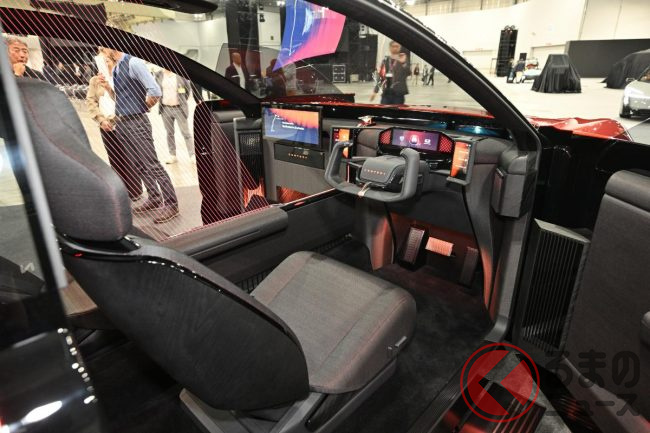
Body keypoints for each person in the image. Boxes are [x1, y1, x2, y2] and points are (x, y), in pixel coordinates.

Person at [99, 48, 179, 224]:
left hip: (136, 122)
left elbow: (155, 91)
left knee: (152, 164)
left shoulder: (133, 62)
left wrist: (143, 107)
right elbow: (121, 98)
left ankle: (171, 204)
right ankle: (155, 197)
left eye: (103, 49)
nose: (102, 53)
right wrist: (108, 88)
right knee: (138, 164)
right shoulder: (118, 67)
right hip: (122, 123)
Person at [86, 55, 143, 200]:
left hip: (123, 122)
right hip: (105, 125)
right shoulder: (95, 81)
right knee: (115, 158)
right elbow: (91, 101)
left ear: (113, 61)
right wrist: (101, 120)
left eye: (107, 61)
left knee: (129, 157)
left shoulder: (120, 76)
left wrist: (108, 87)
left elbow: (125, 100)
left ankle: (135, 191)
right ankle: (121, 191)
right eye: (102, 61)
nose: (105, 63)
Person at [155, 68, 194, 164]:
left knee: (186, 133)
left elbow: (187, 90)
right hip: (165, 109)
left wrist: (182, 101)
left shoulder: (180, 74)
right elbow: (156, 89)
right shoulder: (158, 74)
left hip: (179, 109)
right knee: (169, 133)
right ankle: (172, 155)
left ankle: (192, 155)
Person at [370, 40, 410, 105]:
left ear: (400, 47)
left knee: (396, 111)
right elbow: (381, 76)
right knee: (384, 109)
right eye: (393, 46)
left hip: (398, 93)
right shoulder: (386, 60)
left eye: (397, 46)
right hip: (386, 93)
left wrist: (403, 63)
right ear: (390, 47)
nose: (395, 48)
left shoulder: (403, 58)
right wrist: (375, 91)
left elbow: (408, 73)